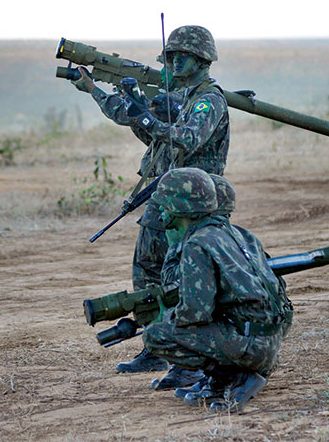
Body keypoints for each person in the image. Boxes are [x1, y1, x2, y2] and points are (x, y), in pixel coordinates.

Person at [71, 26, 230, 376]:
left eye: (180, 56)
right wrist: (102, 94)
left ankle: (188, 359)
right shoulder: (184, 98)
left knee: (185, 279)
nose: (173, 62)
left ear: (202, 60)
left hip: (194, 204)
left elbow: (188, 138)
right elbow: (155, 138)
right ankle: (157, 345)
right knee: (147, 271)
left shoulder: (209, 99)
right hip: (168, 197)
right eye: (169, 56)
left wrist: (145, 116)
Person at [143, 168, 289, 412]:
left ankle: (234, 378)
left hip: (250, 346)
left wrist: (162, 316)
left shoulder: (197, 243)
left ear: (180, 207)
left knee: (156, 335)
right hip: (270, 339)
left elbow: (194, 313)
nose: (160, 211)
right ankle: (222, 380)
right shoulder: (241, 234)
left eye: (164, 205)